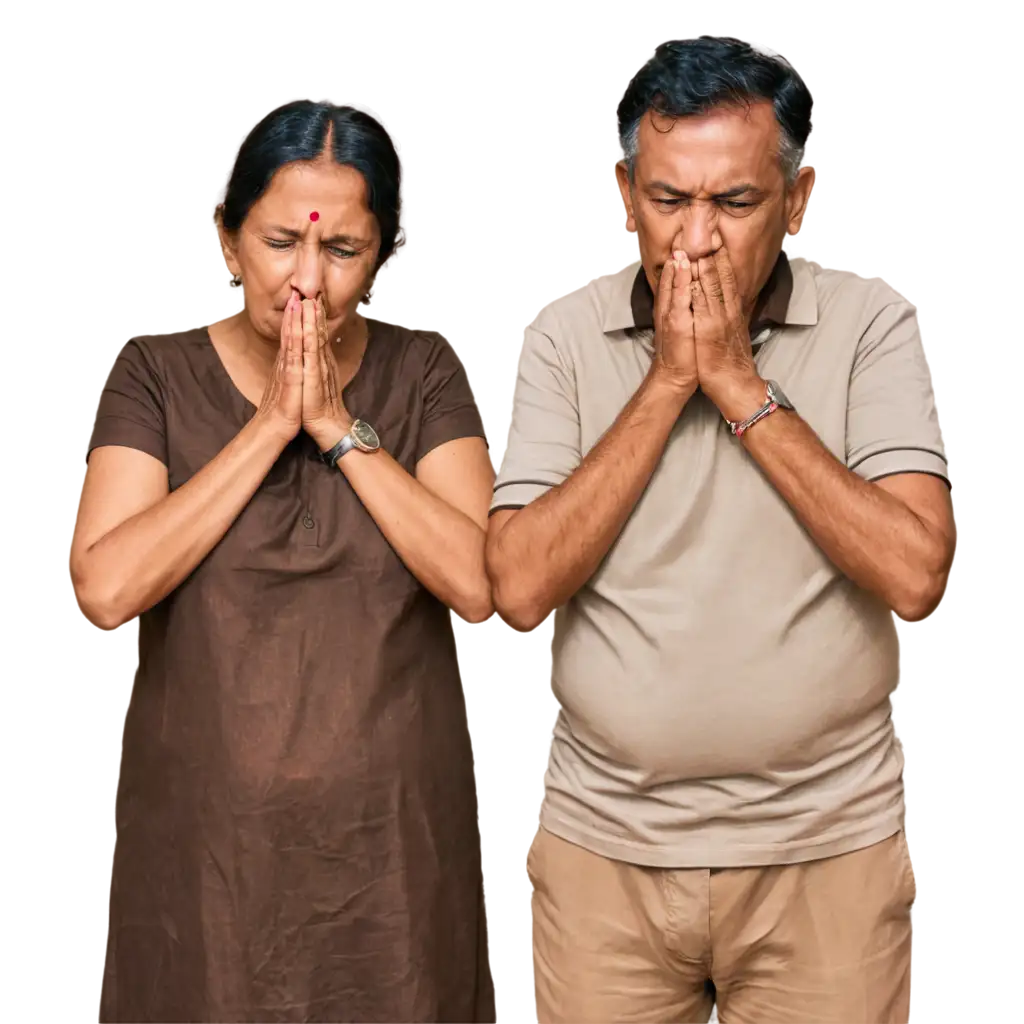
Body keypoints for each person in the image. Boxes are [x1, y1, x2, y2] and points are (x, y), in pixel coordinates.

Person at [486, 33, 951, 1024]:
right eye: (667, 200)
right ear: (622, 193)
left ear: (796, 198)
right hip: (602, 852)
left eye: (733, 203)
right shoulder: (559, 334)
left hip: (827, 854)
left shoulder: (873, 325)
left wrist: (738, 383)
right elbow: (518, 586)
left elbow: (915, 573)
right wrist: (667, 380)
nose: (695, 240)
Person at [71, 98, 494, 1023]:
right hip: (207, 869)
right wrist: (269, 428)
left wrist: (339, 426)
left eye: (341, 250)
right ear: (226, 243)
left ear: (377, 256)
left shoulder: (422, 374)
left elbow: (480, 585)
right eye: (279, 243)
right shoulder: (152, 370)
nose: (308, 281)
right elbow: (104, 589)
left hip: (390, 860)